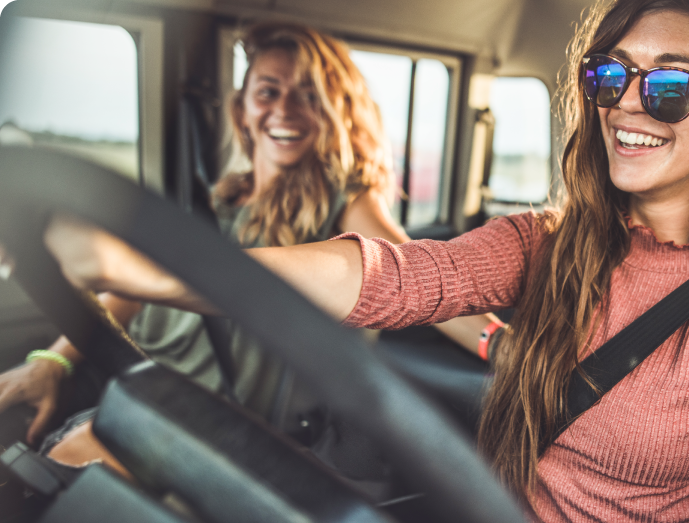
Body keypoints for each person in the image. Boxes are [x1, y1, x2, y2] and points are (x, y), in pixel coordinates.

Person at [24, 0, 689, 523]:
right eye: (611, 77)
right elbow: (386, 272)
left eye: (670, 86)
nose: (630, 104)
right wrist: (134, 263)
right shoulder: (545, 243)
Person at [0, 22, 500, 445]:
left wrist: (501, 347)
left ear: (334, 110)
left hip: (217, 416)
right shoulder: (216, 197)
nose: (285, 110)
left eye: (309, 95)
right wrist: (53, 360)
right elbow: (127, 294)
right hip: (139, 373)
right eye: (269, 92)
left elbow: (419, 272)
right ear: (243, 109)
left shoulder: (343, 197)